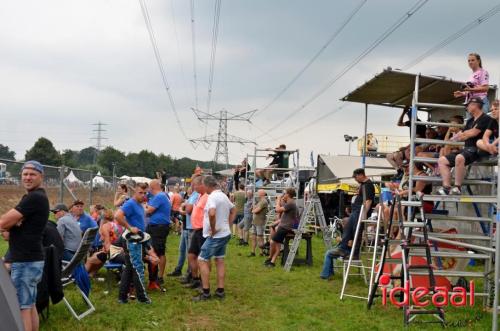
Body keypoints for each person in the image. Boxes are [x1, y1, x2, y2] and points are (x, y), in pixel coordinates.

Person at [0, 160, 49, 331]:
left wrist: (10, 224)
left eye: (32, 174)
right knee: (29, 305)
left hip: (25, 261)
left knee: (22, 307)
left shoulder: (34, 198)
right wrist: (12, 224)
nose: (28, 177)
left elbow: (4, 222)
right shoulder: (33, 197)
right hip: (32, 260)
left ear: (41, 177)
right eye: (25, 174)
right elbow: (9, 226)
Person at [193, 176, 236, 301]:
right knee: (219, 260)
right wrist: (228, 224)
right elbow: (233, 209)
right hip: (225, 233)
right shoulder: (223, 195)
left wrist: (213, 228)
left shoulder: (212, 197)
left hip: (216, 235)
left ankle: (206, 292)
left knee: (202, 260)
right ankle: (220, 290)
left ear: (207, 186)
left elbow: (211, 213)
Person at [437, 97, 491, 195]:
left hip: (478, 149)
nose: (466, 108)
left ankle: (458, 188)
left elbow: (473, 133)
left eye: (468, 105)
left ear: (475, 105)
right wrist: (459, 136)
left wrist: (466, 134)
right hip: (467, 149)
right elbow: (461, 135)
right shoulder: (470, 121)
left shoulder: (485, 118)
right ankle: (446, 188)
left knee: (459, 157)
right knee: (442, 160)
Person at [114, 182, 151, 304]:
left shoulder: (140, 204)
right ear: (135, 191)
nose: (143, 195)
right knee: (137, 268)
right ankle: (142, 298)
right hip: (133, 241)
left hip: (138, 240)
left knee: (129, 269)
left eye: (145, 193)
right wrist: (130, 228)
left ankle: (122, 297)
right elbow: (117, 216)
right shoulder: (130, 203)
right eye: (140, 192)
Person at [329, 168, 375, 259]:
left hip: (360, 211)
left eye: (356, 177)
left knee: (356, 233)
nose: (355, 179)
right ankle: (342, 248)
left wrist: (363, 214)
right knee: (348, 228)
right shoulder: (363, 184)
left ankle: (355, 254)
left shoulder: (368, 185)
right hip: (356, 211)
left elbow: (368, 201)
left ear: (361, 175)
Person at [145, 179, 172, 289]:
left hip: (159, 228)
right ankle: (155, 276)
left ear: (152, 187)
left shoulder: (159, 196)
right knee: (153, 249)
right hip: (155, 226)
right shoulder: (160, 196)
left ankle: (159, 277)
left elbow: (148, 210)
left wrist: (143, 206)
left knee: (158, 251)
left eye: (149, 188)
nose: (148, 191)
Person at [169, 181, 199, 278]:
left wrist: (181, 210)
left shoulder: (196, 196)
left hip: (190, 227)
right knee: (182, 250)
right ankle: (179, 269)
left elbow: (187, 211)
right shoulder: (190, 196)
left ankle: (189, 272)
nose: (190, 187)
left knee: (189, 252)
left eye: (191, 185)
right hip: (186, 226)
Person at [185, 176, 208, 289]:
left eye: (195, 185)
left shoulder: (207, 197)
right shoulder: (199, 196)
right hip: (196, 230)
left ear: (201, 185)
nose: (193, 187)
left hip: (203, 230)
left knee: (203, 258)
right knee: (191, 255)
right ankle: (195, 279)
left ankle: (204, 283)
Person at [85, 209, 124, 277]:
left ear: (103, 218)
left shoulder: (106, 226)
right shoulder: (118, 226)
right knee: (96, 255)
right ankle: (91, 274)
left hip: (110, 253)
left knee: (90, 260)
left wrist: (104, 251)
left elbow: (107, 243)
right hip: (119, 251)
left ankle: (80, 278)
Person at [265, 188, 298, 267]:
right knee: (277, 243)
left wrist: (278, 200)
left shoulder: (291, 203)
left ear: (288, 194)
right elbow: (282, 206)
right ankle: (272, 261)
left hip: (285, 227)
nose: (283, 194)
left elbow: (278, 209)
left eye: (285, 193)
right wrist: (281, 200)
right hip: (283, 226)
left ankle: (271, 259)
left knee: (273, 242)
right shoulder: (289, 203)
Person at [249, 189, 268, 257]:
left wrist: (253, 210)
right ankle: (253, 252)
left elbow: (256, 210)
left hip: (260, 222)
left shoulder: (264, 201)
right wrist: (253, 209)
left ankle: (262, 252)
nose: (257, 194)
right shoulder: (260, 201)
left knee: (260, 237)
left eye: (258, 192)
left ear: (262, 193)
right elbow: (253, 209)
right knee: (253, 237)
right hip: (255, 221)